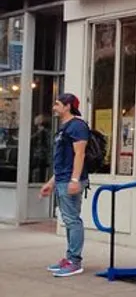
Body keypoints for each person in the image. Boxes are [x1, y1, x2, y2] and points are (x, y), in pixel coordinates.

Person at [39, 93, 91, 278]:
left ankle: (74, 261)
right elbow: (63, 160)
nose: (54, 107)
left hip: (71, 180)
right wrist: (51, 183)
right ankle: (70, 258)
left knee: (72, 220)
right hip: (63, 179)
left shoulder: (77, 126)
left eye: (57, 104)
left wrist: (75, 180)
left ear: (68, 106)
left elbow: (80, 154)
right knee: (69, 220)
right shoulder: (64, 128)